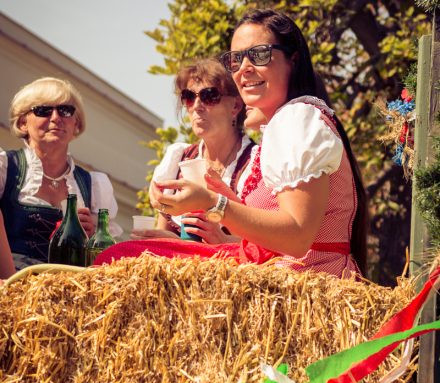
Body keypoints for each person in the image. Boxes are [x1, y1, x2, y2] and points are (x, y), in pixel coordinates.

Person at [96, 9, 368, 278]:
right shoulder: (287, 124)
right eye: (236, 59)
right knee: (134, 254)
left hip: (306, 278)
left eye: (260, 54)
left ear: (292, 60)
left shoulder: (297, 118)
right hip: (280, 275)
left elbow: (297, 237)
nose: (245, 68)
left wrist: (212, 202)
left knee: (119, 258)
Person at [0, 77, 122, 269]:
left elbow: (104, 265)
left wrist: (92, 238)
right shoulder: (6, 167)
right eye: (43, 110)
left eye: (65, 110)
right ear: (23, 122)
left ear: (76, 124)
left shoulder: (93, 185)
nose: (56, 118)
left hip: (69, 292)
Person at [133, 58, 256, 244]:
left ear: (236, 106)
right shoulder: (178, 159)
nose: (197, 106)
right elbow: (165, 232)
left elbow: (269, 247)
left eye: (209, 96)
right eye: (189, 97)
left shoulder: (256, 162)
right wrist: (168, 240)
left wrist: (222, 241)